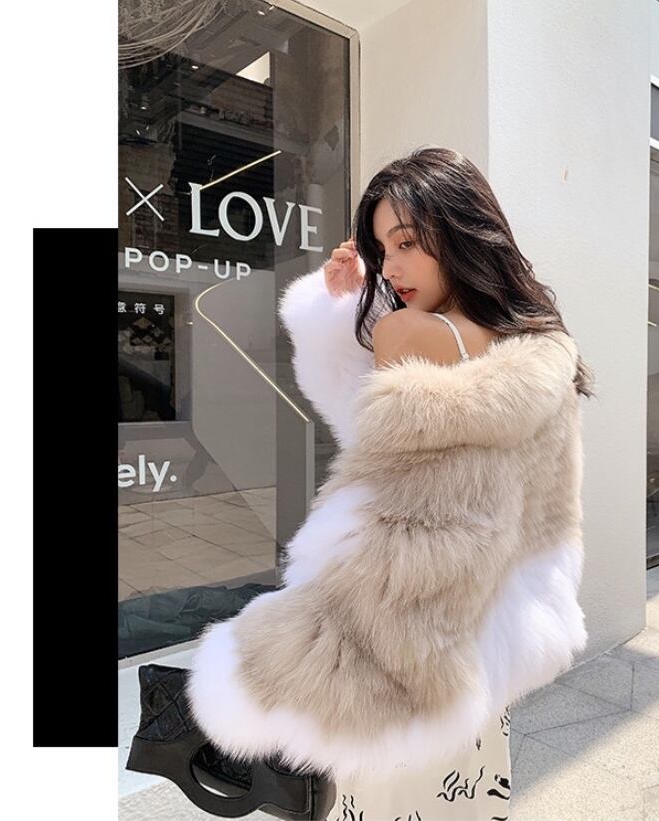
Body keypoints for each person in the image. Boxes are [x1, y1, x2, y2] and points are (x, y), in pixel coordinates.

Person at [185, 146, 596, 820]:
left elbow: (395, 544)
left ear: (459, 231)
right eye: (381, 251)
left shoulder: (408, 329)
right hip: (485, 654)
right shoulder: (540, 347)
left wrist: (264, 656)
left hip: (405, 680)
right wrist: (355, 300)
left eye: (406, 242)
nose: (392, 268)